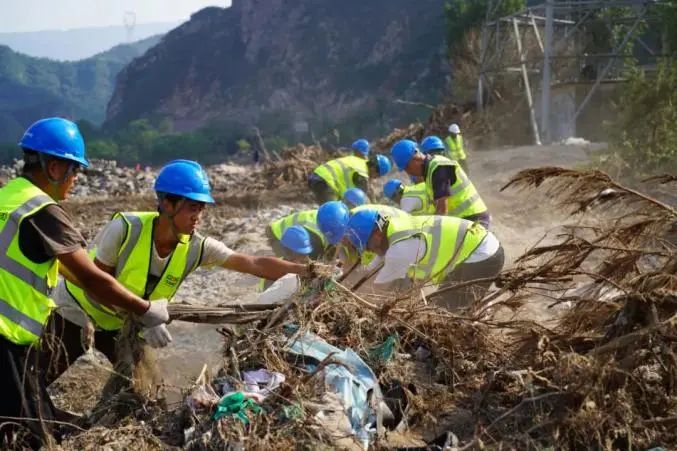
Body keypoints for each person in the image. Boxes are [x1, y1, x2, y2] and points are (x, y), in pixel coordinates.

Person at [42, 160, 317, 388]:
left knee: (146, 392)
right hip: (76, 309)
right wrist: (144, 314)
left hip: (124, 323)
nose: (198, 215)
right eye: (192, 207)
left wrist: (308, 271)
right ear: (167, 204)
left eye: (201, 208)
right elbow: (96, 286)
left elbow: (254, 263)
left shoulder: (197, 247)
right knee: (39, 375)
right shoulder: (126, 229)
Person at [0, 118, 171, 448]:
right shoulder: (42, 210)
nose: (75, 181)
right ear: (53, 167)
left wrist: (119, 306)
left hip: (10, 343)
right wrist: (145, 309)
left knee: (29, 422)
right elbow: (91, 276)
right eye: (74, 171)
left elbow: (69, 272)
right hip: (6, 341)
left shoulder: (7, 197)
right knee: (33, 437)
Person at [345, 209, 504, 309]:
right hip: (477, 250)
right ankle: (481, 308)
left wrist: (348, 298)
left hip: (481, 255)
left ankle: (484, 312)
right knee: (443, 303)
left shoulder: (399, 249)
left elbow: (378, 288)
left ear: (377, 233)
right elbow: (374, 270)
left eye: (367, 245)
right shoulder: (392, 228)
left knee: (445, 312)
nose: (368, 250)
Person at [390, 139, 490, 228]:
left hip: (473, 219)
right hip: (464, 220)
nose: (408, 172)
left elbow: (442, 210)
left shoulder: (438, 168)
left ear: (415, 158)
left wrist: (429, 231)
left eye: (407, 168)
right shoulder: (430, 171)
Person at [308, 153, 391, 204]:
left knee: (330, 208)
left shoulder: (358, 161)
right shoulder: (362, 173)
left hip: (317, 176)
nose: (374, 178)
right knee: (333, 213)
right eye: (377, 176)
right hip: (326, 180)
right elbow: (361, 199)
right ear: (374, 169)